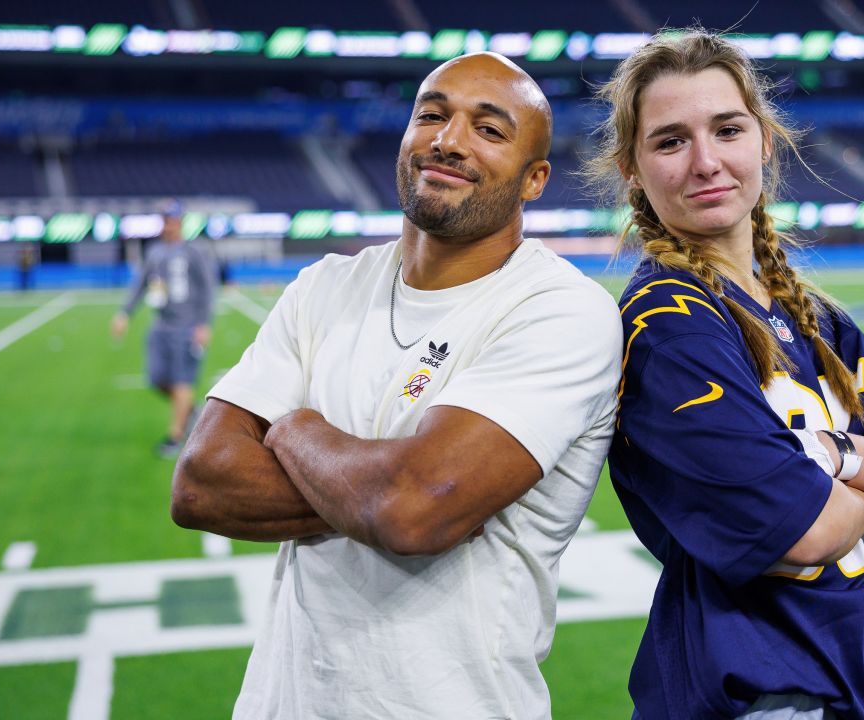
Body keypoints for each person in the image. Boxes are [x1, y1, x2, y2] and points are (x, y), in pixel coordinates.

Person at [170, 52, 622, 719]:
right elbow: (202, 483)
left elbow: (415, 508)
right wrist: (379, 491)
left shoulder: (561, 311)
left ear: (535, 180)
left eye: (489, 130)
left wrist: (296, 428)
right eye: (432, 115)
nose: (449, 140)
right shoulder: (325, 285)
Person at [583, 30, 864, 719]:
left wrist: (833, 454)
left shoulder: (814, 316)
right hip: (751, 689)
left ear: (764, 141)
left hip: (843, 676)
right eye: (671, 141)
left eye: (727, 130)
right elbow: (805, 531)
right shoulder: (667, 319)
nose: (706, 162)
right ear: (632, 170)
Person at [111, 203, 217, 458]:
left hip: (187, 326)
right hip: (161, 325)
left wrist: (204, 323)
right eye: (165, 220)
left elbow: (208, 288)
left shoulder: (195, 251)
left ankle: (175, 437)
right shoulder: (155, 252)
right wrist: (124, 313)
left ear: (180, 223)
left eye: (172, 220)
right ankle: (190, 412)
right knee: (156, 379)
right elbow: (141, 284)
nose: (168, 225)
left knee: (182, 381)